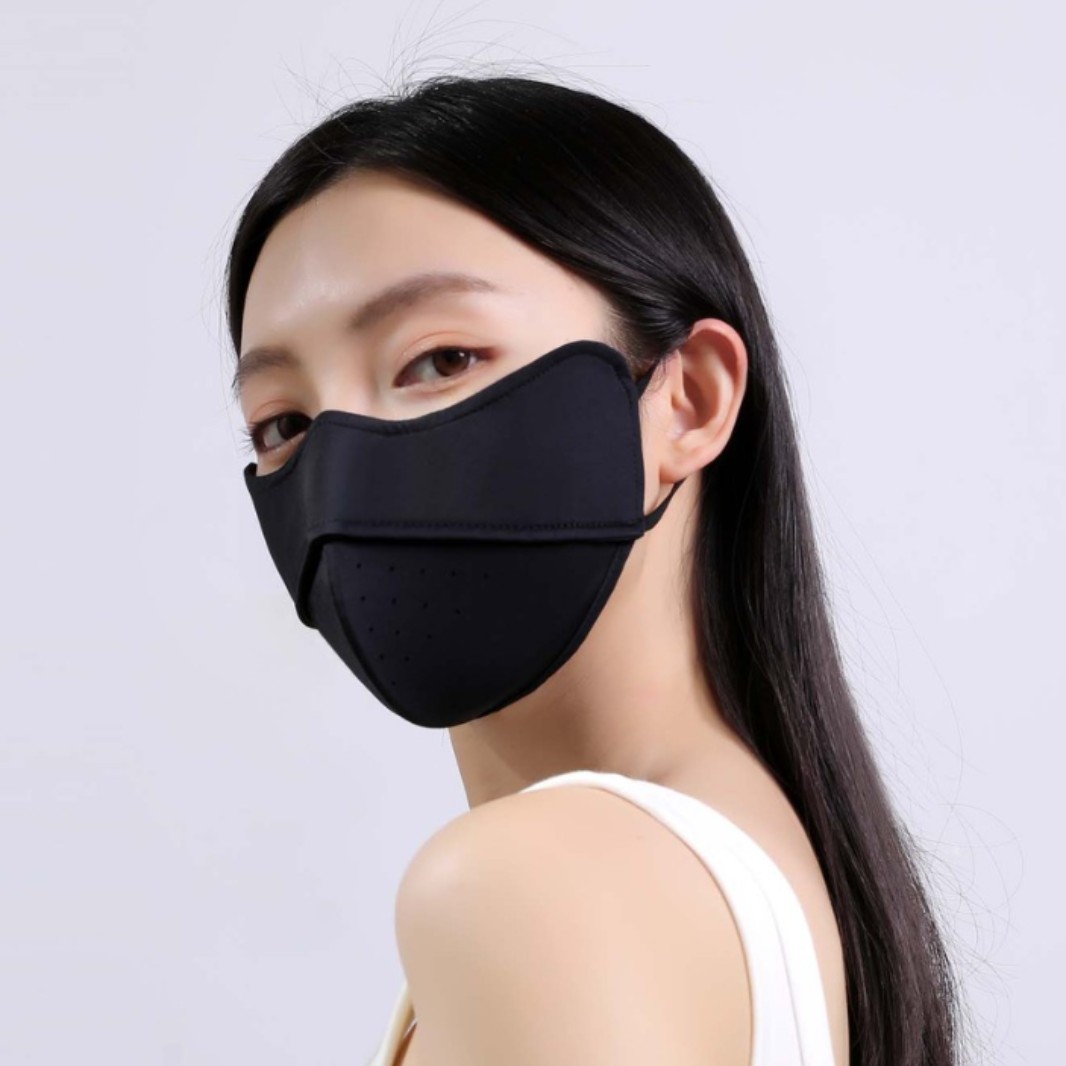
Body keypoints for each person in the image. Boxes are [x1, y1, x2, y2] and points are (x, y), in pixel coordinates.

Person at [223, 72, 963, 1066]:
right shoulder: (766, 877)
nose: (341, 472)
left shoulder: (535, 889)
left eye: (439, 360)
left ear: (689, 401)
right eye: (283, 422)